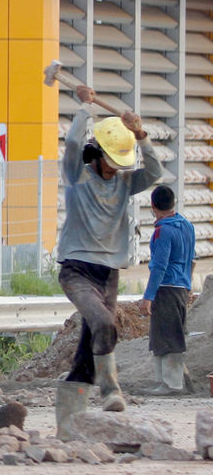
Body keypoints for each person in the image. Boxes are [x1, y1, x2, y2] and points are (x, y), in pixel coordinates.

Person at [55, 85, 161, 430]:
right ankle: (111, 389)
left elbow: (156, 172)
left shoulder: (125, 184)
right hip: (76, 269)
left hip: (109, 271)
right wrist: (84, 109)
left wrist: (140, 134)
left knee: (89, 348)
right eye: (111, 162)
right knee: (104, 323)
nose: (114, 169)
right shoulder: (77, 177)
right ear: (98, 153)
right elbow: (71, 145)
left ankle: (70, 425)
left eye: (120, 164)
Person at [139, 185, 195, 395]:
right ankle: (168, 381)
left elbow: (159, 266)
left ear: (153, 206)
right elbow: (191, 259)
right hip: (181, 288)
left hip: (166, 288)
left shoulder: (163, 231)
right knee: (170, 333)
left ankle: (170, 384)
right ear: (173, 204)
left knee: (166, 335)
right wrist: (189, 286)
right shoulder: (187, 226)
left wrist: (148, 297)